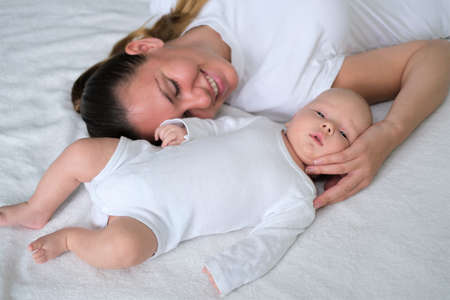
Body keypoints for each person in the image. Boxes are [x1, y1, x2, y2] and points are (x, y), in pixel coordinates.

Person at [71, 0, 450, 209]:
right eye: (187, 116)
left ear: (146, 48)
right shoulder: (288, 90)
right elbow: (433, 55)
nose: (201, 98)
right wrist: (390, 133)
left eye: (173, 87)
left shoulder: (173, 6)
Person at [0, 88, 372, 296]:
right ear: (299, 111)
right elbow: (217, 128)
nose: (326, 127)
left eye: (342, 134)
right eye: (322, 113)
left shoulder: (298, 196)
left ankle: (71, 239)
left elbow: (271, 241)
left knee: (122, 250)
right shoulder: (261, 126)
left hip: (153, 220)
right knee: (81, 152)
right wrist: (183, 130)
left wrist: (231, 269)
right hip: (136, 163)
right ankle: (36, 208)